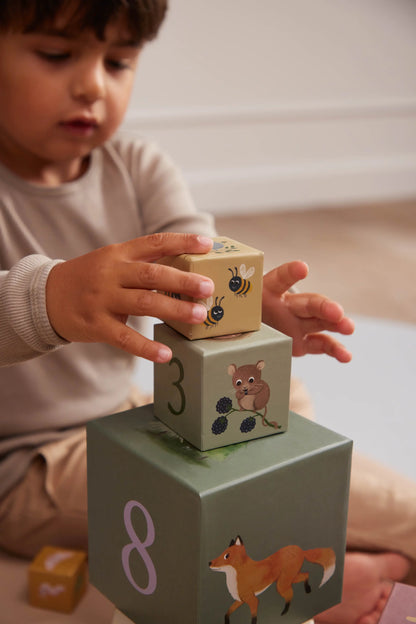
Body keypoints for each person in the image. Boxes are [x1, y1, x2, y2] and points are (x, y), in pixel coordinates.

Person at [0, 2, 413, 622]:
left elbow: (205, 273)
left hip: (133, 411)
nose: (92, 86)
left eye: (119, 63)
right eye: (56, 55)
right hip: (30, 467)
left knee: (271, 400)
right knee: (198, 498)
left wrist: (248, 312)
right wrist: (50, 299)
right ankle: (318, 581)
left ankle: (324, 553)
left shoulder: (139, 167)